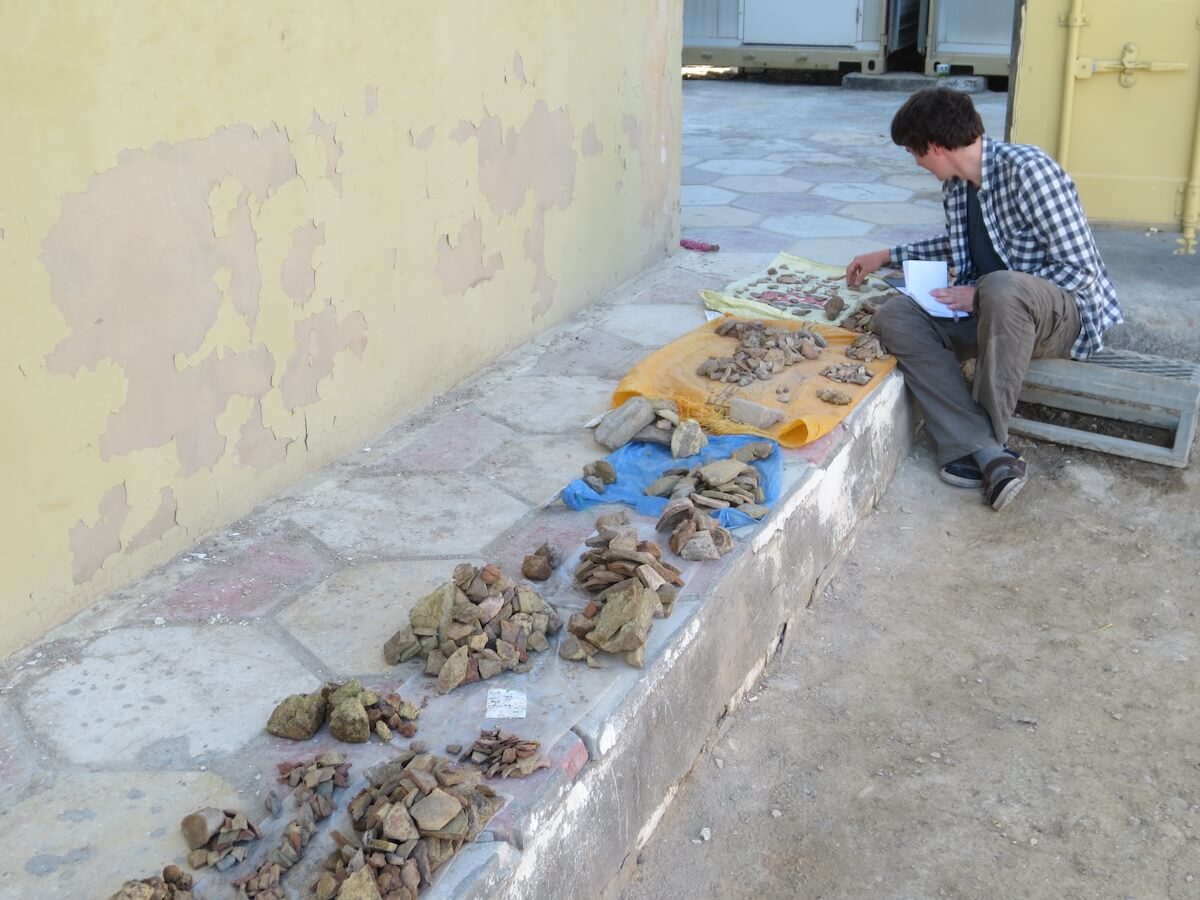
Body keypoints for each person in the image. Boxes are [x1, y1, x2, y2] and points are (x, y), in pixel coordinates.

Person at [845, 87, 1121, 510]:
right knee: (896, 314)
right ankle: (990, 452)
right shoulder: (958, 188)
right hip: (993, 309)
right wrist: (885, 256)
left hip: (1061, 316)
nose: (916, 163)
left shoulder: (1030, 171)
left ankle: (987, 440)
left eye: (915, 153)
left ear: (935, 147)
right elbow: (958, 245)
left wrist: (977, 294)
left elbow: (1079, 270)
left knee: (1001, 286)